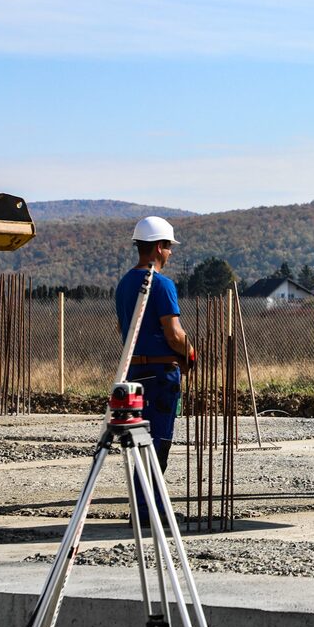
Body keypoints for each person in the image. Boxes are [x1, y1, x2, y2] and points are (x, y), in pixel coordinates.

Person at [115, 215, 194, 524]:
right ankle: (148, 510)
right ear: (159, 247)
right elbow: (173, 333)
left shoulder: (124, 283)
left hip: (134, 372)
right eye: (169, 247)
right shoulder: (160, 284)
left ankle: (149, 506)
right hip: (161, 376)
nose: (170, 253)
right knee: (158, 442)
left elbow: (124, 328)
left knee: (140, 440)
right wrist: (190, 352)